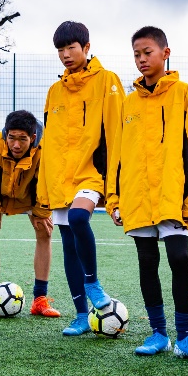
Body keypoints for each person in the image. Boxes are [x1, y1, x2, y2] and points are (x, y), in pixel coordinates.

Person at [108, 26, 188, 360]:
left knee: (179, 259)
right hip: (137, 196)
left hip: (174, 196)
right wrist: (114, 198)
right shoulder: (128, 101)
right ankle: (158, 334)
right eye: (137, 54)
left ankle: (185, 338)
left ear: (165, 53)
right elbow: (118, 153)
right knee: (146, 262)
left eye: (148, 52)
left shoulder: (183, 92)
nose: (142, 59)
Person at [38, 21, 124, 336]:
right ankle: (79, 314)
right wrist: (45, 187)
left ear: (86, 48)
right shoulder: (54, 90)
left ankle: (93, 282)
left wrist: (115, 184)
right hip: (61, 177)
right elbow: (49, 143)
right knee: (67, 245)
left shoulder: (108, 81)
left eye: (71, 48)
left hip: (93, 172)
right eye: (60, 49)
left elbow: (117, 132)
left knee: (78, 217)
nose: (65, 55)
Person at [0, 110, 59, 319]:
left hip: (32, 194)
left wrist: (41, 212)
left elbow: (48, 183)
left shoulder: (47, 147)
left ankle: (40, 299)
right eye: (12, 138)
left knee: (45, 233)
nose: (16, 145)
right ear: (6, 134)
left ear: (33, 138)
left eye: (23, 139)